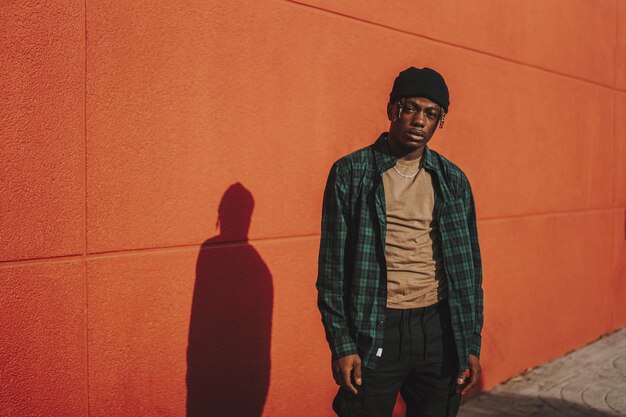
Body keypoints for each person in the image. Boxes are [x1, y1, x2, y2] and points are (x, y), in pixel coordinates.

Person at [316, 67, 483, 417]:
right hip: (376, 326)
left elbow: (470, 270)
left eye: (431, 113)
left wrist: (469, 341)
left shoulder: (453, 181)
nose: (419, 120)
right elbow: (332, 270)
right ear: (393, 109)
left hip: (438, 329)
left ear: (440, 120)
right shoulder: (351, 173)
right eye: (411, 108)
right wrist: (342, 344)